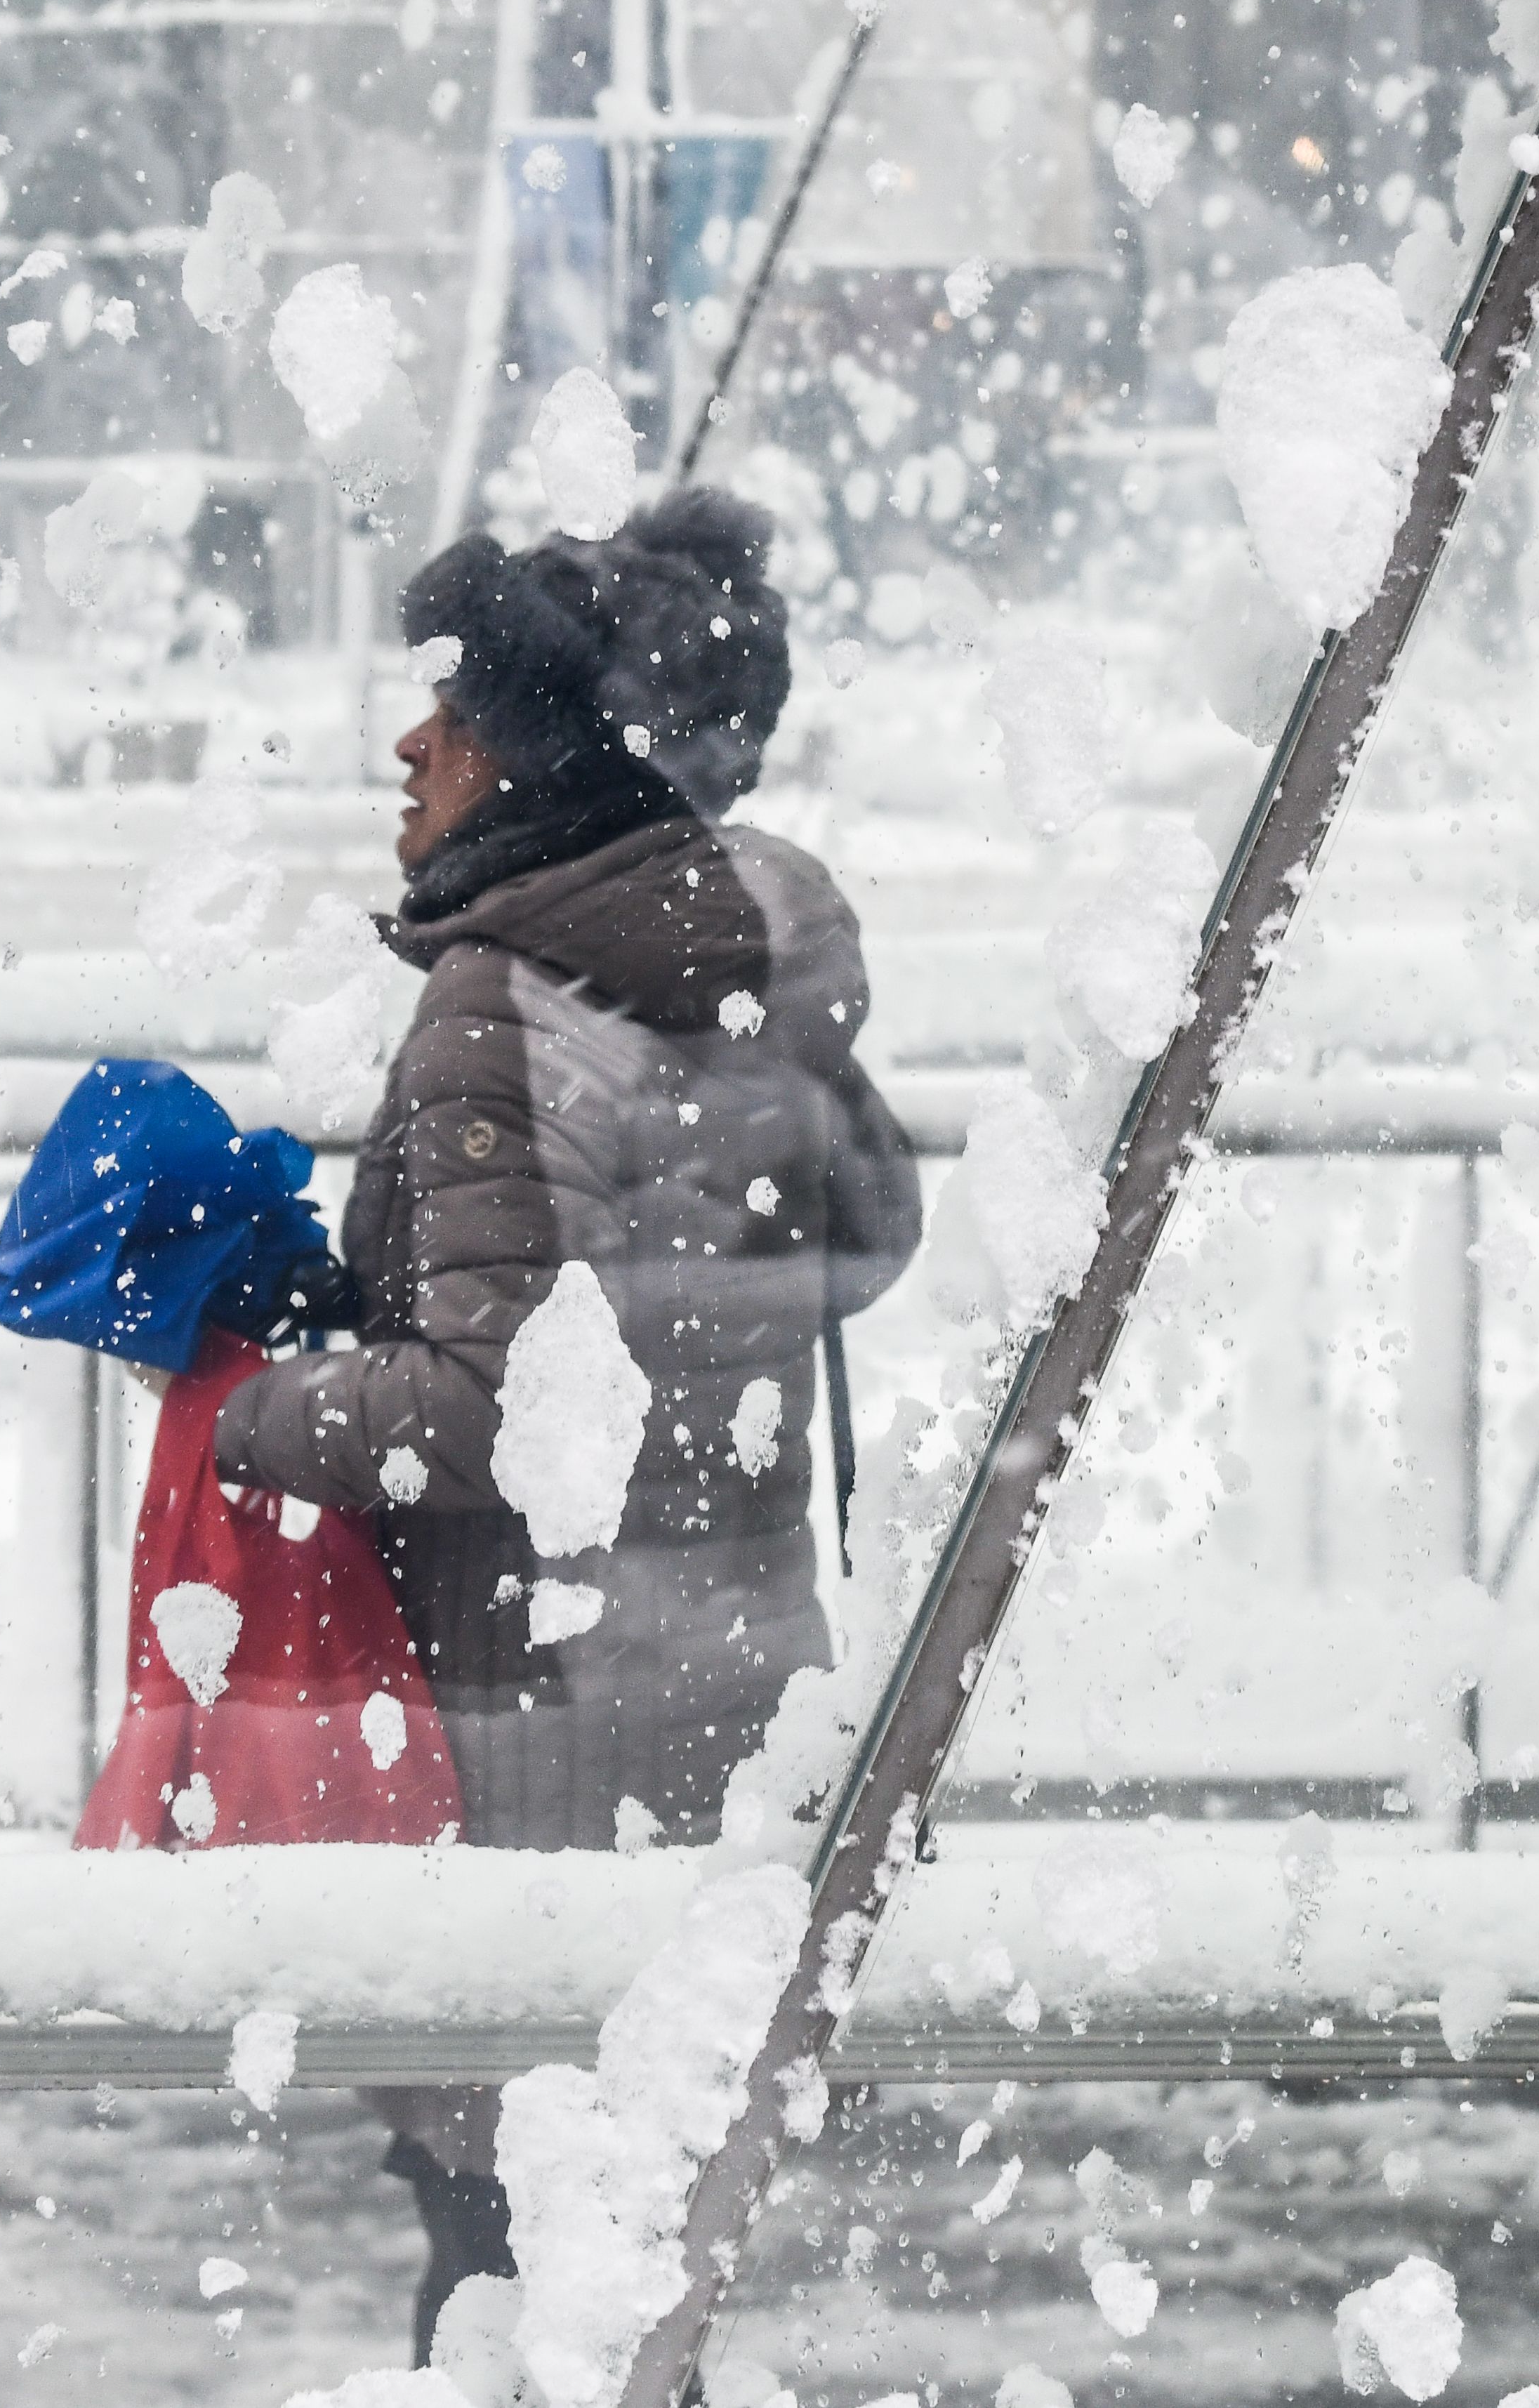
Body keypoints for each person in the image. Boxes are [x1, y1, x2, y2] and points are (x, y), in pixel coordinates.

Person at [211, 489, 923, 2362]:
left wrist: (252, 1406)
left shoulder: (498, 1004)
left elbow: (476, 1409)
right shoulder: (732, 970)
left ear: (541, 764)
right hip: (737, 1677)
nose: (409, 741)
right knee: (656, 2220)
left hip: (532, 1716)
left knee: (505, 2228)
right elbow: (864, 1238)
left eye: (454, 710)